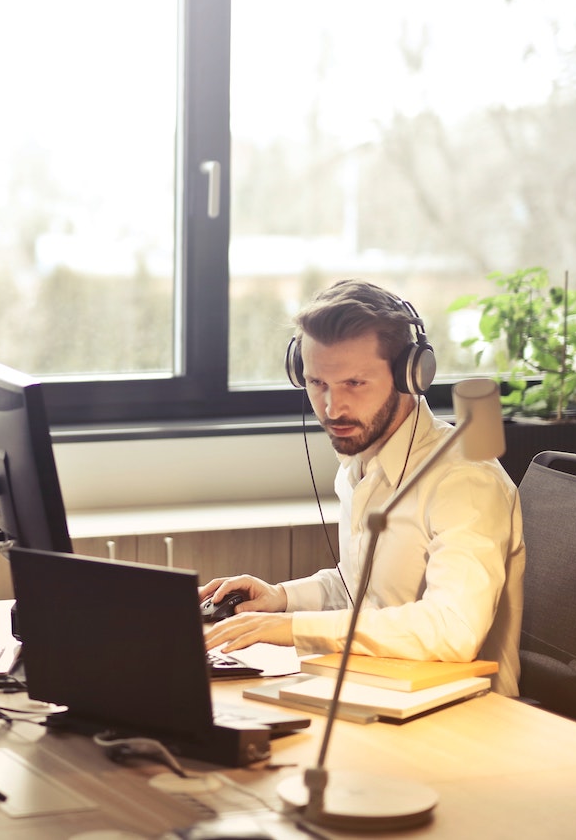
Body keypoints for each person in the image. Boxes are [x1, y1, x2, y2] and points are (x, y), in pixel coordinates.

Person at [201, 279, 524, 696]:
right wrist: (281, 598)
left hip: (464, 716)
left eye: (354, 383)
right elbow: (364, 591)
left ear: (411, 375)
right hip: (377, 688)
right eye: (318, 384)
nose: (333, 409)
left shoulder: (465, 480)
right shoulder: (360, 462)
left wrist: (293, 628)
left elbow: (453, 630)